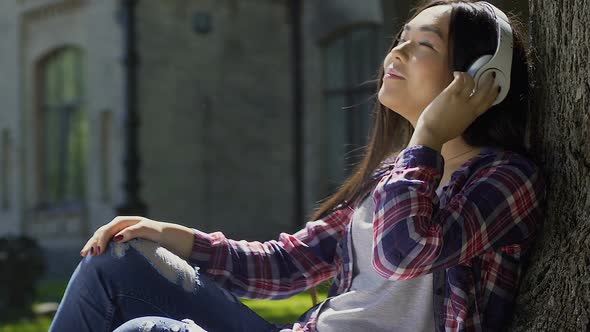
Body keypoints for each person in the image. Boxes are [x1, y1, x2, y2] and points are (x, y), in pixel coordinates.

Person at [49, 0, 546, 331]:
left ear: (483, 81)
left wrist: (429, 137)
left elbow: (406, 253)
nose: (396, 51)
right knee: (116, 259)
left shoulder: (505, 180)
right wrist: (168, 233)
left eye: (425, 45)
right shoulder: (395, 175)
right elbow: (286, 265)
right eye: (402, 36)